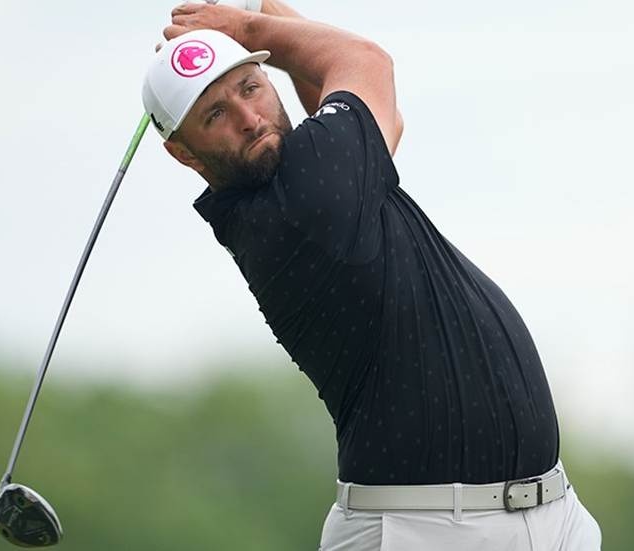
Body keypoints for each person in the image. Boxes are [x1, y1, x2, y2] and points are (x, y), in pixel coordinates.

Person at [142, 1, 602, 549]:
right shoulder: (299, 205)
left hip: (547, 514)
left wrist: (261, 8)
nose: (249, 118)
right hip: (423, 529)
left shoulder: (313, 179)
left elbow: (374, 113)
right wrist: (247, 25)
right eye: (215, 114)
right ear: (183, 153)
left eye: (250, 87)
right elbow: (364, 62)